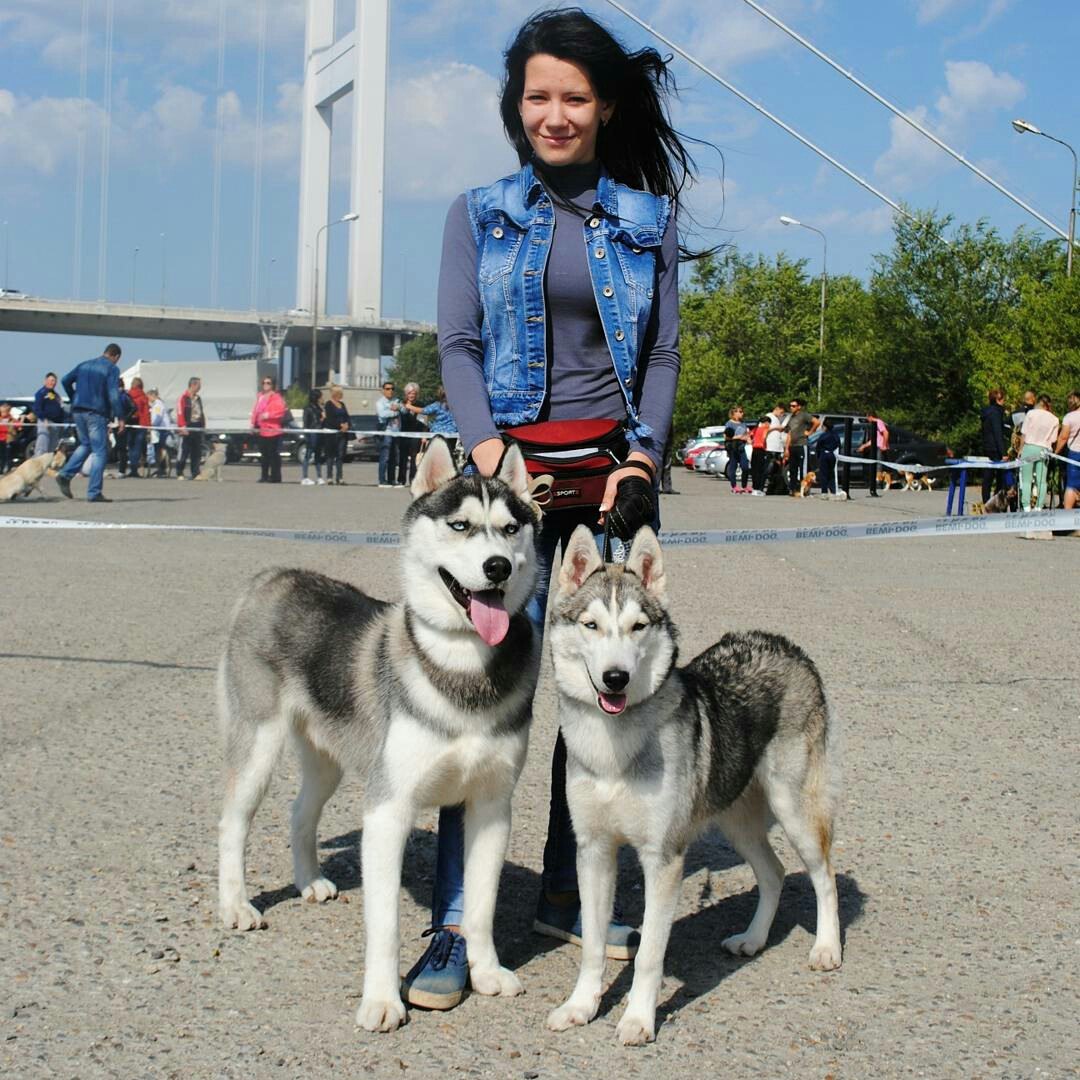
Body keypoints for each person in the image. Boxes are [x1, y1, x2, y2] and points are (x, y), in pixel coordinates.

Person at [410, 6, 696, 1009]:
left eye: (575, 95)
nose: (555, 113)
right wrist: (492, 456)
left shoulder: (647, 218)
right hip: (511, 496)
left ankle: (574, 896)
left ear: (607, 105)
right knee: (481, 711)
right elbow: (457, 343)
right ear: (517, 103)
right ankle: (455, 924)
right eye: (539, 94)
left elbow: (658, 353)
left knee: (601, 703)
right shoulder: (476, 211)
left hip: (608, 487)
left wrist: (644, 455)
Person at [55, 343, 125, 503]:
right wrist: (121, 417)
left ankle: (65, 475)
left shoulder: (84, 364)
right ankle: (94, 492)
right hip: (96, 412)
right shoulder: (112, 368)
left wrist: (74, 397)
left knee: (85, 444)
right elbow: (114, 395)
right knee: (100, 451)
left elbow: (65, 380)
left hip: (78, 411)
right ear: (116, 357)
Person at [1018, 394, 1059, 512]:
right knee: (1041, 480)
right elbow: (1054, 439)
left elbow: (1024, 433)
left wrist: (1020, 449)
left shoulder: (1030, 414)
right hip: (1044, 450)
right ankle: (1039, 506)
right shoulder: (1054, 419)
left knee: (1026, 479)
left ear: (1039, 403)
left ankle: (1026, 506)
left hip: (1029, 447)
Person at [250, 376, 288, 483]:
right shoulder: (260, 396)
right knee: (264, 454)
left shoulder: (276, 397)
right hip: (262, 430)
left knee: (273, 455)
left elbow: (281, 411)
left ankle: (275, 476)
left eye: (268, 383)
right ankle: (264, 475)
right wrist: (253, 424)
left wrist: (268, 415)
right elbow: (255, 411)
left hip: (273, 430)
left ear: (273, 385)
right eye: (264, 383)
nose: (265, 385)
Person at [980, 388, 1011, 503]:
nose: (1004, 401)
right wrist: (1003, 453)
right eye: (1003, 399)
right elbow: (997, 433)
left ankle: (986, 501)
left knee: (987, 477)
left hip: (987, 447)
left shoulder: (986, 412)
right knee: (1000, 478)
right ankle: (996, 502)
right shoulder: (996, 413)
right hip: (996, 449)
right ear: (998, 400)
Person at [784, 398, 819, 494]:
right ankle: (793, 489)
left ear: (799, 407)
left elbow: (816, 422)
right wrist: (786, 448)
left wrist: (810, 432)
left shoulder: (804, 415)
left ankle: (804, 489)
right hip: (793, 446)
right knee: (792, 468)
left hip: (802, 444)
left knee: (803, 468)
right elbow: (789, 433)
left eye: (793, 406)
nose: (791, 408)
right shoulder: (791, 418)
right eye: (790, 406)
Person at [1055, 391, 1080, 518]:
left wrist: (1055, 452)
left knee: (1071, 485)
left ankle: (1068, 517)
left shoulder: (1069, 417)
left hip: (1075, 453)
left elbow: (1063, 437)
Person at [176, 377, 206, 480]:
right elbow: (180, 413)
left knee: (196, 451)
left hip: (197, 425)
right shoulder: (183, 398)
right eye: (199, 385)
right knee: (184, 450)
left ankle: (195, 472)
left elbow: (201, 412)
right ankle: (180, 472)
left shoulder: (198, 398)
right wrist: (182, 426)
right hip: (187, 425)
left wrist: (203, 425)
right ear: (193, 385)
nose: (200, 387)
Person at [395, 382, 423, 485]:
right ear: (406, 394)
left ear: (417, 394)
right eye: (409, 393)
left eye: (413, 393)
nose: (411, 395)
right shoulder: (401, 403)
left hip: (416, 435)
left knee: (414, 459)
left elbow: (424, 421)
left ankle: (413, 480)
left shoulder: (421, 405)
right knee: (402, 458)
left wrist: (424, 436)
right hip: (403, 435)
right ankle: (401, 480)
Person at [322, 385, 350, 485]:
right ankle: (329, 477)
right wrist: (340, 425)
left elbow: (347, 416)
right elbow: (330, 419)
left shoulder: (342, 404)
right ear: (334, 393)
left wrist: (347, 425)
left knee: (340, 455)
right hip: (332, 434)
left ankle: (340, 477)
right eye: (339, 393)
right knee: (330, 455)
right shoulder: (328, 404)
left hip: (342, 434)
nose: (340, 395)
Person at [33, 372, 66, 456]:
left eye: (54, 381)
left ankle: (48, 467)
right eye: (51, 380)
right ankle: (38, 466)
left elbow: (61, 409)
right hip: (45, 422)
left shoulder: (56, 395)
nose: (53, 383)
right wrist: (44, 419)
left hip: (56, 424)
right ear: (45, 381)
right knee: (42, 447)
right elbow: (37, 408)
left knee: (51, 449)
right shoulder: (41, 393)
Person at [376, 380, 401, 487]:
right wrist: (395, 411)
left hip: (397, 432)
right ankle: (382, 481)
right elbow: (382, 414)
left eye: (392, 389)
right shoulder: (380, 402)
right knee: (384, 457)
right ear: (383, 390)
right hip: (386, 432)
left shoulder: (397, 400)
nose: (390, 391)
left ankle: (392, 480)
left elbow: (404, 410)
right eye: (387, 389)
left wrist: (399, 407)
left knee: (394, 458)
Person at [856, 409, 889, 492]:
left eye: (867, 417)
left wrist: (884, 445)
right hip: (875, 446)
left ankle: (878, 483)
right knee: (875, 465)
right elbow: (874, 439)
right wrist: (864, 446)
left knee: (879, 466)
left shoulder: (878, 422)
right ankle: (875, 482)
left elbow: (886, 433)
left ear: (870, 416)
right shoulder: (874, 424)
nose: (867, 419)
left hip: (879, 447)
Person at [124, 376, 150, 479]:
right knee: (138, 447)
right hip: (141, 424)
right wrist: (148, 426)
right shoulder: (143, 397)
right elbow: (146, 413)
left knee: (130, 446)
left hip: (130, 423)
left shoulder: (128, 395)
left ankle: (132, 468)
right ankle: (135, 469)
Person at [723, 405, 750, 493]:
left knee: (745, 467)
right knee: (733, 467)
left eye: (742, 411)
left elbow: (746, 434)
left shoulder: (743, 423)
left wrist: (748, 439)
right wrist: (738, 437)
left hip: (741, 448)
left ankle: (744, 486)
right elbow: (726, 437)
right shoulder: (729, 423)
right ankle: (734, 486)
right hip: (733, 448)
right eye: (740, 411)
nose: (742, 413)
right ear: (734, 413)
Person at [301, 388, 325, 486]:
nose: (322, 398)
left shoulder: (318, 408)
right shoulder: (308, 408)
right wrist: (307, 435)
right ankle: (305, 477)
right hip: (312, 434)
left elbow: (321, 420)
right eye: (320, 397)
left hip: (319, 433)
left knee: (318, 456)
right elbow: (307, 423)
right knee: (308, 455)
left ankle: (319, 477)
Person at [764, 402, 788, 494]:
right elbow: (764, 429)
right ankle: (766, 483)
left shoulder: (777, 419)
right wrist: (776, 428)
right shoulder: (769, 416)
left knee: (777, 469)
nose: (781, 415)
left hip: (778, 448)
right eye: (781, 413)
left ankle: (775, 487)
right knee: (770, 467)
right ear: (777, 408)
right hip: (770, 447)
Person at [147, 389, 170, 477]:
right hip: (161, 429)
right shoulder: (159, 404)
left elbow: (157, 418)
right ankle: (161, 468)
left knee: (159, 450)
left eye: (148, 396)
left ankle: (161, 469)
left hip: (160, 430)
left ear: (152, 395)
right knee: (160, 449)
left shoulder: (157, 405)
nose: (148, 399)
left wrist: (151, 426)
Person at [816, 418, 841, 498]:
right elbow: (838, 444)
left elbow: (818, 446)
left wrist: (818, 455)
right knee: (831, 472)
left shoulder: (823, 435)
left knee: (823, 473)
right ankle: (833, 490)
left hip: (824, 454)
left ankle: (824, 491)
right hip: (832, 454)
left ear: (825, 426)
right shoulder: (836, 435)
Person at [749, 413, 770, 495]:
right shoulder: (765, 429)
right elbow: (764, 437)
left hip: (754, 449)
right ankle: (758, 489)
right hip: (761, 449)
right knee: (760, 470)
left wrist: (752, 442)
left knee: (754, 470)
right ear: (766, 423)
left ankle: (754, 488)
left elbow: (749, 436)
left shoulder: (755, 429)